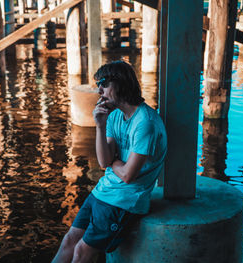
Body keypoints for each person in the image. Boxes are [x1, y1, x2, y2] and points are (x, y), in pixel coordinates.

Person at [52, 60, 167, 263]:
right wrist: (99, 126)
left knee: (81, 252)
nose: (99, 91)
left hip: (125, 200)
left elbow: (128, 175)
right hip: (103, 191)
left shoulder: (145, 123)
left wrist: (113, 162)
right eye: (98, 86)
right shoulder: (114, 117)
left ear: (120, 83)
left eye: (103, 84)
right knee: (69, 241)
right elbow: (104, 161)